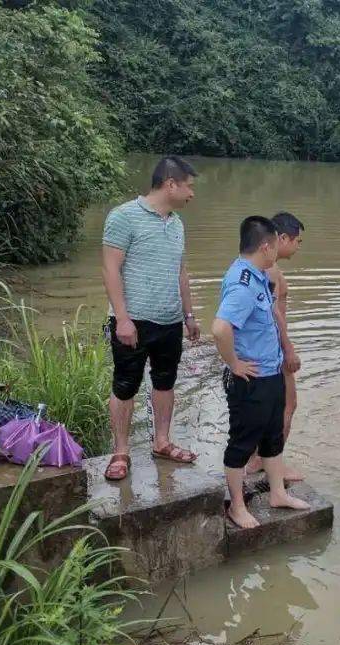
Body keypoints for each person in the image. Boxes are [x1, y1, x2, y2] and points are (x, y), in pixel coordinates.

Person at [101, 156, 200, 481]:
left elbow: (181, 271)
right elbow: (110, 269)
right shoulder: (123, 217)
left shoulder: (176, 223)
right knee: (126, 384)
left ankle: (161, 441)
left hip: (169, 320)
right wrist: (123, 319)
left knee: (165, 381)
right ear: (171, 184)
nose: (191, 194)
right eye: (189, 187)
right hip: (134, 322)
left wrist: (188, 315)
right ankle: (121, 451)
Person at [213, 216, 311, 529]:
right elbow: (220, 328)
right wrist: (234, 363)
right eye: (275, 246)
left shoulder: (257, 276)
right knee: (242, 444)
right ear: (266, 246)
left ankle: (277, 493)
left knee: (271, 438)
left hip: (269, 371)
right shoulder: (242, 283)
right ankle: (237, 507)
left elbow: (269, 315)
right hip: (249, 378)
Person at [246, 211, 305, 482]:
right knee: (287, 405)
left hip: (264, 346)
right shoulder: (270, 271)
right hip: (272, 348)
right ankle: (268, 462)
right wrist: (288, 350)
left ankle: (257, 458)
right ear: (282, 238)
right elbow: (272, 312)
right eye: (297, 240)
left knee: (266, 407)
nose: (298, 246)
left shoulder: (261, 266)